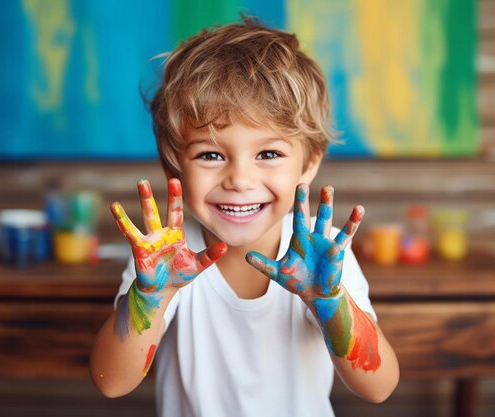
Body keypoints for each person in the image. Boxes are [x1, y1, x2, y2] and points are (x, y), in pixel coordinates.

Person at [90, 18, 399, 417]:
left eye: (268, 154)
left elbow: (379, 388)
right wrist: (154, 295)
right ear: (174, 168)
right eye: (210, 154)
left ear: (309, 164)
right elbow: (111, 383)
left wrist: (328, 300)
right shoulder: (165, 257)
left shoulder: (325, 260)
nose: (239, 179)